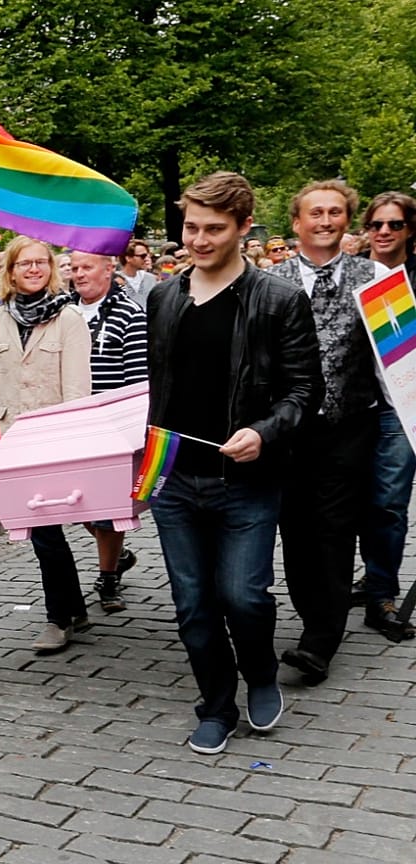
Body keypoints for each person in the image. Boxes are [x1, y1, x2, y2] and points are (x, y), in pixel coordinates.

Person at [147, 172, 321, 754]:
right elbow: (159, 390)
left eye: (213, 229)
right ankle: (216, 705)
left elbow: (303, 391)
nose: (198, 240)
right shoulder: (164, 296)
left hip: (247, 478)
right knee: (192, 603)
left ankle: (262, 673)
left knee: (243, 594)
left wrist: (263, 432)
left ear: (245, 228)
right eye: (191, 227)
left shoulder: (278, 298)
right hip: (176, 480)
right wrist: (146, 463)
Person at [266, 180, 380, 683]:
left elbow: (400, 356)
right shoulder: (271, 279)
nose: (326, 220)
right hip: (288, 429)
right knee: (295, 530)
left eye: (335, 212)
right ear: (297, 223)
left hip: (350, 423)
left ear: (347, 219)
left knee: (335, 530)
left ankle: (320, 640)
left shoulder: (375, 276)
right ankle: (314, 616)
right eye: (316, 213)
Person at [0, 237, 91, 653]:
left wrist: (73, 443)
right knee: (43, 531)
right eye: (24, 263)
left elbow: (79, 389)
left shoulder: (70, 318)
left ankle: (60, 617)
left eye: (41, 262)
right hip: (13, 440)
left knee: (48, 531)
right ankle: (70, 608)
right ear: (9, 271)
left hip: (55, 438)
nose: (33, 269)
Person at [68, 251, 147, 612]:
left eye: (87, 267)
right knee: (76, 504)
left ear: (108, 268)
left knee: (108, 508)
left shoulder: (131, 315)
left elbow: (137, 380)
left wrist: (129, 431)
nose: (79, 274)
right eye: (74, 268)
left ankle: (108, 577)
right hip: (71, 425)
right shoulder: (63, 311)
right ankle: (117, 555)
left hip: (112, 427)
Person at [357, 191, 416, 641]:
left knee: (389, 501)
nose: (383, 232)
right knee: (355, 500)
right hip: (353, 404)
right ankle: (367, 577)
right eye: (376, 224)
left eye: (394, 224)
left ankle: (381, 591)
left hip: (401, 406)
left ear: (409, 230)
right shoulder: (354, 274)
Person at [119, 240, 157, 307]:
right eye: (143, 256)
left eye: (148, 255)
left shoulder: (151, 279)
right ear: (128, 258)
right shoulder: (115, 280)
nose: (146, 259)